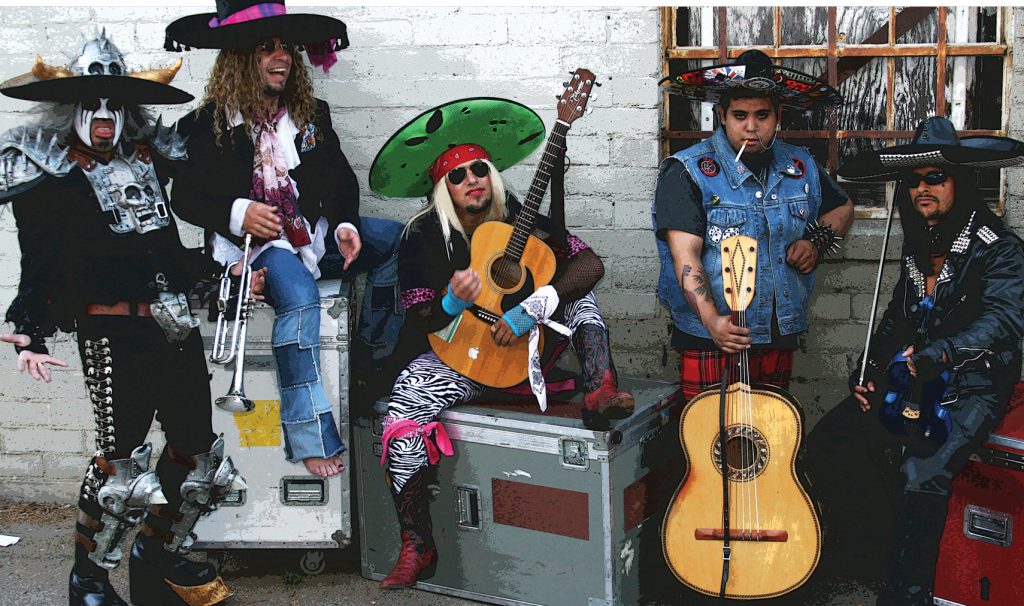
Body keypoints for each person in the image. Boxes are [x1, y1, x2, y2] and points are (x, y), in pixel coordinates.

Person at [0, 31, 245, 606]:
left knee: (196, 455)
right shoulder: (51, 175)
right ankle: (88, 579)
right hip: (111, 331)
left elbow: (163, 250)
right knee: (122, 464)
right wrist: (29, 330)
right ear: (74, 111)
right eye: (94, 104)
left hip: (173, 326)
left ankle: (156, 559)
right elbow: (40, 259)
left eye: (116, 105)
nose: (106, 115)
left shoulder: (147, 159)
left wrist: (218, 274)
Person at [367, 97, 634, 588]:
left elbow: (590, 265)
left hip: (526, 355)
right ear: (443, 189)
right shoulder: (423, 235)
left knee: (575, 296)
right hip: (459, 357)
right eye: (458, 175)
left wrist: (529, 308)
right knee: (401, 419)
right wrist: (451, 301)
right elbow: (419, 313)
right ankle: (417, 546)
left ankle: (601, 387)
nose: (472, 180)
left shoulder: (521, 219)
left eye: (479, 169)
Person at [166, 0, 405, 477]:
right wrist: (240, 212)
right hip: (256, 250)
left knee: (398, 239)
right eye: (266, 48)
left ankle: (375, 364)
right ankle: (310, 436)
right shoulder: (206, 125)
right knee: (299, 298)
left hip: (312, 235)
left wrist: (344, 224)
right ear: (238, 58)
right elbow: (185, 199)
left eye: (286, 48)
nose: (282, 58)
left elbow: (339, 179)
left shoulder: (311, 115)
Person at [805, 116, 1024, 605]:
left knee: (922, 473)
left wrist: (938, 353)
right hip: (911, 382)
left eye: (935, 178)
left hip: (972, 386)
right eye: (913, 180)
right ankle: (877, 556)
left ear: (959, 182)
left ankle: (907, 594)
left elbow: (1005, 322)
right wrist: (870, 369)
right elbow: (898, 318)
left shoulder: (1000, 250)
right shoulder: (918, 243)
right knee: (831, 444)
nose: (921, 188)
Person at [654, 50, 854, 400]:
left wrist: (815, 242)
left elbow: (842, 208)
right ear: (721, 115)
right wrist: (712, 320)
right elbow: (686, 257)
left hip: (778, 327)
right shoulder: (687, 171)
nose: (751, 126)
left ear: (778, 116)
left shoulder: (800, 164)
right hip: (713, 333)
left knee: (770, 441)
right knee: (708, 443)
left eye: (762, 115)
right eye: (740, 115)